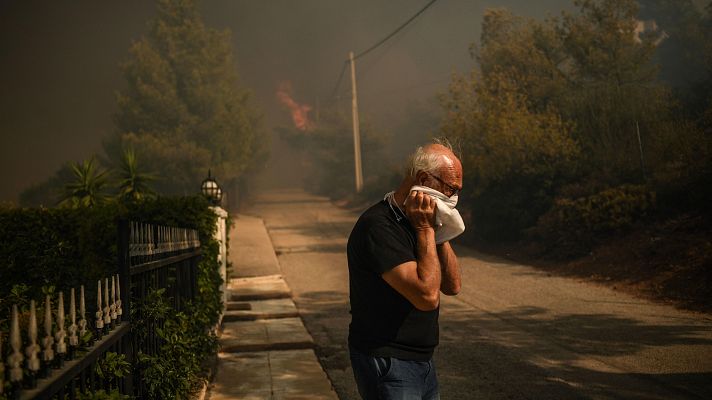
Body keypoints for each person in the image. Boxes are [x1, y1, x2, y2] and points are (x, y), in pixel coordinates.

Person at [347, 140, 464, 400]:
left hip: (421, 361)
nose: (454, 198)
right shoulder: (379, 227)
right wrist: (424, 229)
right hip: (389, 360)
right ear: (424, 179)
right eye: (451, 189)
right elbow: (427, 297)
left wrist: (438, 230)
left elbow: (453, 285)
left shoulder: (422, 221)